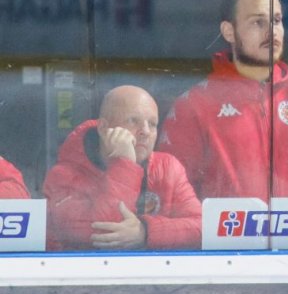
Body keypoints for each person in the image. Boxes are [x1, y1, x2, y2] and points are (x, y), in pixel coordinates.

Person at [159, 0, 288, 202]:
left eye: (276, 20)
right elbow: (171, 200)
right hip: (220, 226)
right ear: (229, 32)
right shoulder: (194, 106)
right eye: (257, 22)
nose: (272, 31)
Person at [43, 85, 201, 250]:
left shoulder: (167, 168)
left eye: (152, 124)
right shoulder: (63, 176)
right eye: (133, 121)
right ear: (104, 128)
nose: (146, 131)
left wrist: (145, 231)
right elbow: (103, 235)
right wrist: (124, 165)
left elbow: (202, 228)